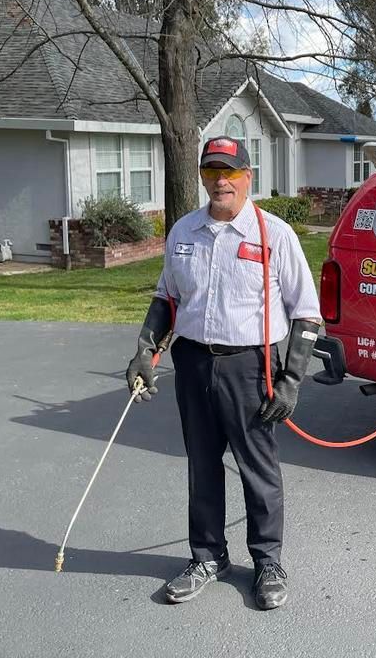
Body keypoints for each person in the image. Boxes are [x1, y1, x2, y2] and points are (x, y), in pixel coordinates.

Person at [125, 135, 322, 610]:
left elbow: (307, 313)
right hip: (193, 363)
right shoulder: (183, 232)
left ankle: (268, 561)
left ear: (247, 177)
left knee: (258, 470)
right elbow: (167, 298)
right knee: (202, 465)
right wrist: (145, 353)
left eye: (229, 172)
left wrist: (292, 378)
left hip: (250, 367)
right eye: (211, 171)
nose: (220, 181)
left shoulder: (274, 234)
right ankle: (208, 556)